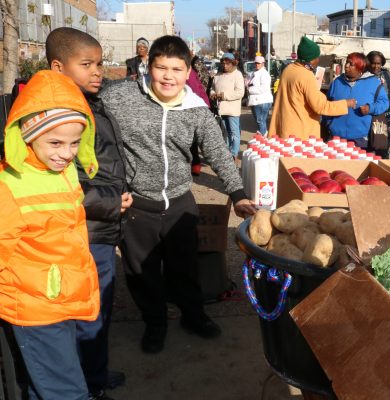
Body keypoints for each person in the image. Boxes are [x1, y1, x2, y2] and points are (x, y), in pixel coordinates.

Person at [100, 35, 257, 354]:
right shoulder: (118, 97)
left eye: (176, 69)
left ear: (188, 72)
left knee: (184, 267)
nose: (168, 76)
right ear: (149, 67)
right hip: (137, 207)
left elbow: (217, 150)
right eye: (161, 68)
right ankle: (155, 322)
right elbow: (85, 123)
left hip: (180, 204)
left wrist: (238, 193)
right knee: (141, 272)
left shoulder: (196, 108)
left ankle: (193, 315)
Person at [0, 70, 100, 399]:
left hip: (60, 297)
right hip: (35, 308)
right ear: (26, 134)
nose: (67, 152)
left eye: (75, 142)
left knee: (49, 382)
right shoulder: (9, 185)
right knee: (65, 390)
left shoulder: (62, 171)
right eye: (55, 142)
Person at [45, 27, 131, 400]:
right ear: (58, 66)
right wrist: (111, 203)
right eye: (87, 64)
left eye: (99, 63)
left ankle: (94, 376)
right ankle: (87, 386)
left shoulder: (87, 101)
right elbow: (57, 184)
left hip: (100, 226)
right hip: (86, 230)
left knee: (98, 311)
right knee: (88, 313)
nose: (98, 71)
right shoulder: (58, 115)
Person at [269, 36, 355, 139]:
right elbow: (320, 106)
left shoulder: (288, 69)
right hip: (299, 133)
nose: (318, 60)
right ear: (310, 59)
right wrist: (345, 104)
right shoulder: (306, 76)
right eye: (316, 57)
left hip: (285, 128)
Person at [323, 52, 389, 149]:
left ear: (360, 67)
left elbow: (384, 102)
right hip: (336, 137)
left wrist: (370, 108)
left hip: (360, 139)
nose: (346, 66)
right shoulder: (337, 82)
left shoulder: (374, 83)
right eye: (347, 62)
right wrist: (328, 123)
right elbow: (327, 104)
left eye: (351, 64)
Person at [367, 50, 390, 158]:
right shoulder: (363, 76)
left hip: (388, 120)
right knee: (367, 152)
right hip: (369, 120)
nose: (375, 66)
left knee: (382, 152)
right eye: (373, 63)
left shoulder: (387, 76)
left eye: (378, 63)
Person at [210, 52, 245, 159]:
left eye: (228, 64)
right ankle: (227, 154)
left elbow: (240, 92)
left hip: (232, 109)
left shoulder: (237, 75)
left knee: (234, 133)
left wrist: (224, 96)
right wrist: (212, 94)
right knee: (226, 133)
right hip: (221, 109)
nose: (225, 66)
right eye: (223, 63)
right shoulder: (219, 75)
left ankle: (234, 154)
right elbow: (212, 88)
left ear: (233, 63)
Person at [187, 55, 211, 176]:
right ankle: (195, 163)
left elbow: (199, 88)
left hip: (193, 107)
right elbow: (202, 87)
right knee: (194, 140)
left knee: (193, 140)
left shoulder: (191, 70)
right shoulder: (192, 71)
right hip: (199, 105)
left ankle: (195, 163)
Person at [247, 55, 274, 136]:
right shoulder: (254, 73)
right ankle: (262, 135)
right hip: (256, 101)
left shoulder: (264, 74)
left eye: (258, 63)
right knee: (259, 121)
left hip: (262, 101)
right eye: (255, 63)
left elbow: (263, 88)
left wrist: (250, 90)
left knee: (260, 120)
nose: (257, 65)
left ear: (263, 63)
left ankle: (262, 136)